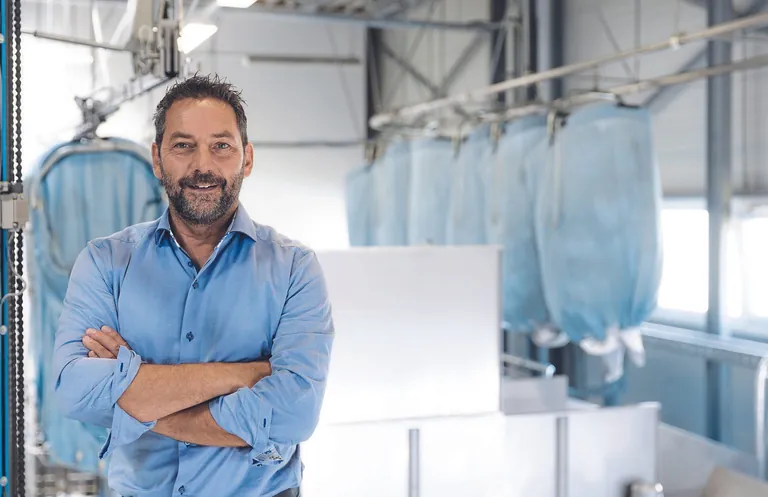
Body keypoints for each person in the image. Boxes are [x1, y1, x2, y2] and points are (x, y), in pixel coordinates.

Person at [52, 73, 334, 497]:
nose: (203, 165)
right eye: (183, 145)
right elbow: (74, 391)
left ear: (248, 158)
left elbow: (294, 414)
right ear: (157, 158)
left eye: (221, 145)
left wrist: (137, 399)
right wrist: (247, 375)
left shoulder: (294, 269)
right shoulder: (106, 262)